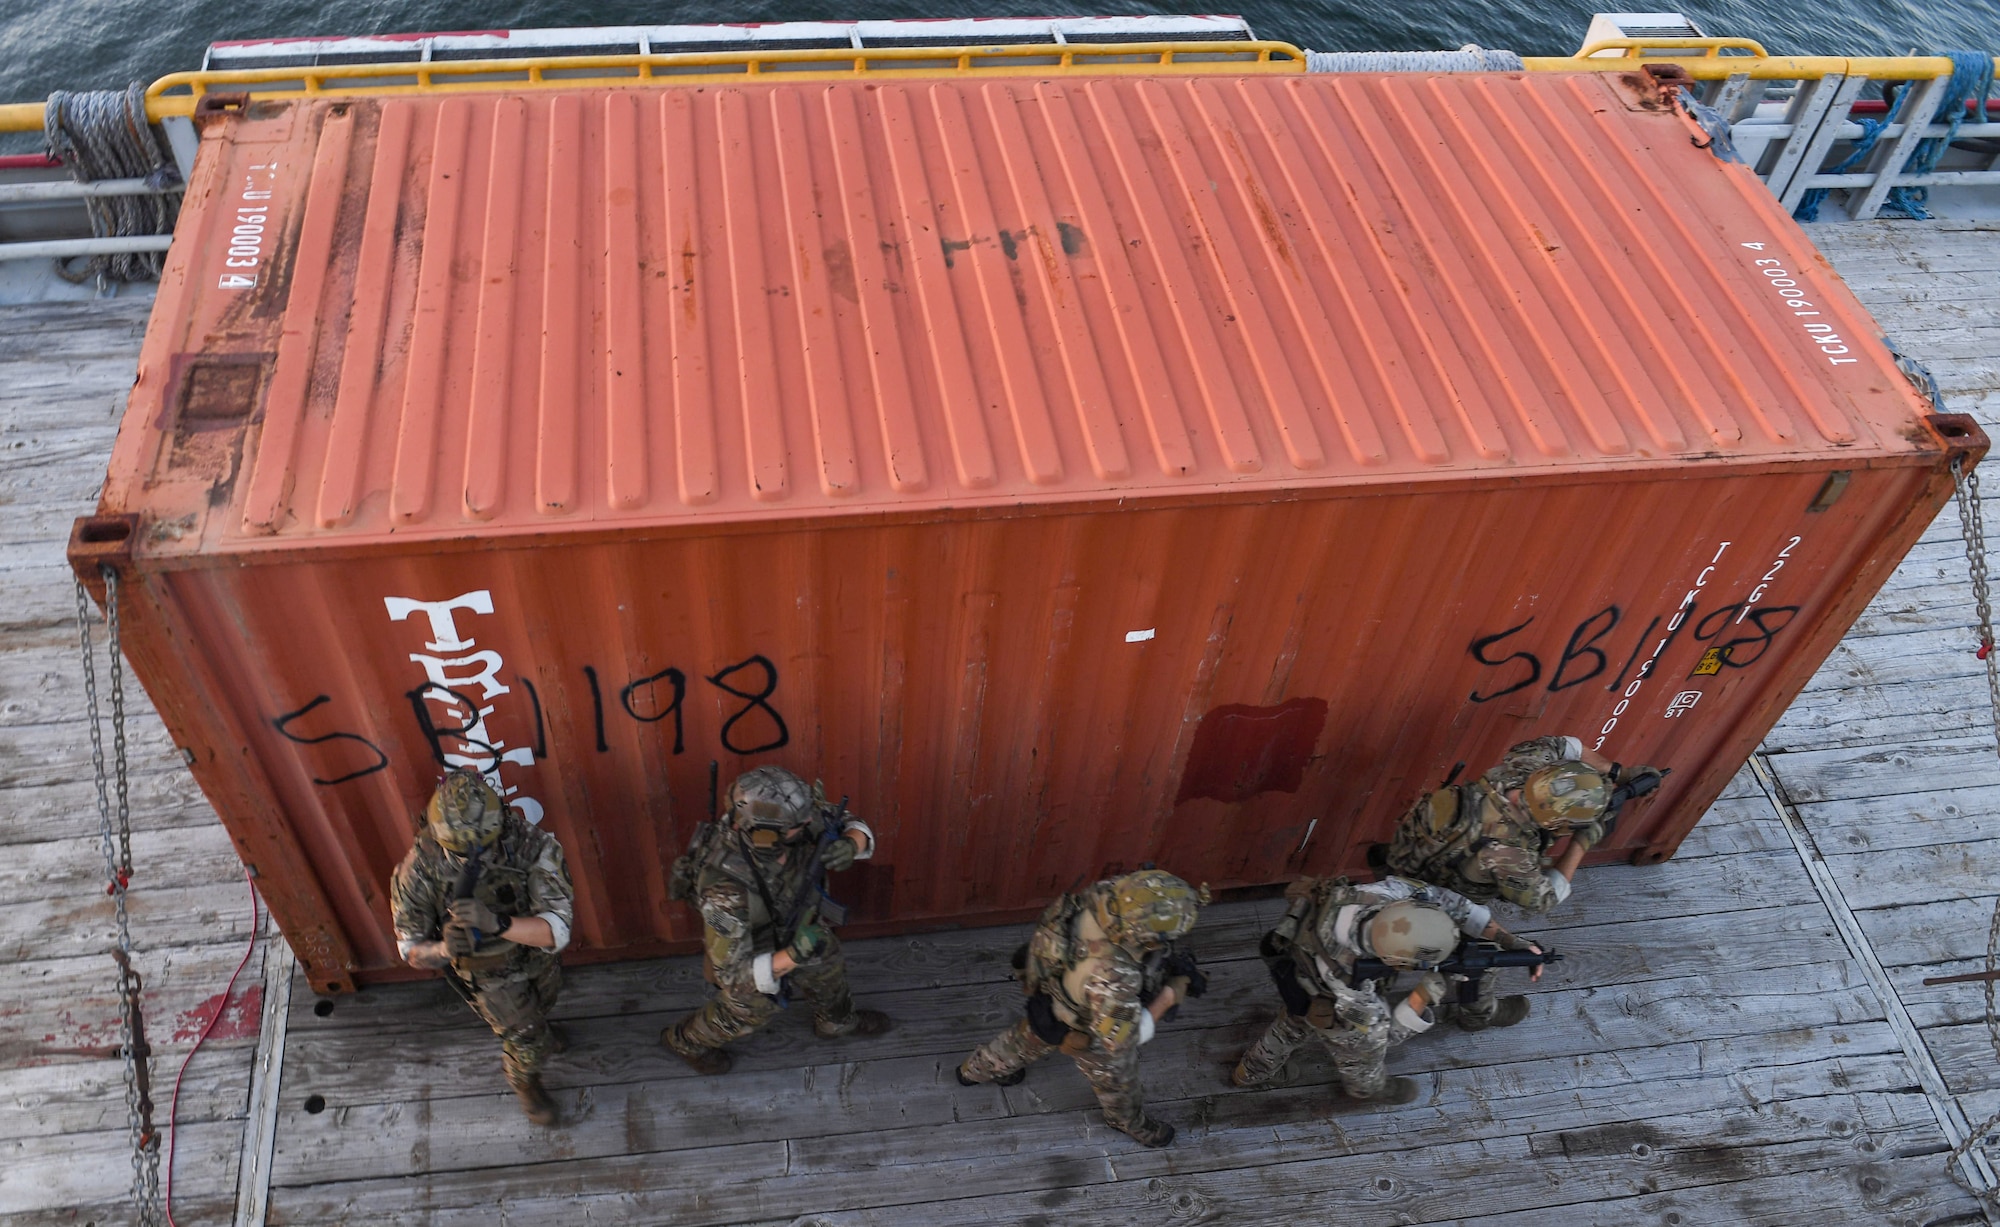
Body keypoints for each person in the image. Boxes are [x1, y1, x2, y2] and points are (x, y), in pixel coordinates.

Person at [660, 766, 890, 1075]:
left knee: (827, 962)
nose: (809, 822)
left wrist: (852, 843)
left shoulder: (788, 815)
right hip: (749, 950)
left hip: (796, 923)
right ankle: (686, 1041)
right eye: (799, 824)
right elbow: (736, 976)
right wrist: (794, 955)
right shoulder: (724, 889)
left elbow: (845, 820)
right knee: (751, 1007)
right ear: (764, 832)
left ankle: (836, 1022)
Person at [955, 870, 1207, 1149]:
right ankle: (1127, 1121)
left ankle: (974, 1069)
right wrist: (1169, 995)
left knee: (1024, 1039)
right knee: (1117, 1080)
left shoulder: (1105, 893)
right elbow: (1125, 1037)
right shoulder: (1114, 977)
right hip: (1083, 1021)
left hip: (1053, 978)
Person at [1232, 874, 1542, 1097]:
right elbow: (1382, 1035)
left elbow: (1450, 902)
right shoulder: (1352, 993)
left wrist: (1508, 941)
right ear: (1397, 962)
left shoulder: (1385, 894)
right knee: (1355, 1058)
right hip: (1326, 994)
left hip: (1300, 949)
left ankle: (1251, 1071)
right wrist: (1427, 992)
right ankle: (1370, 1091)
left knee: (1291, 1022)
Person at [390, 768, 575, 1125]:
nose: (474, 857)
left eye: (484, 845)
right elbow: (410, 949)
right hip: (489, 975)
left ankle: (539, 1033)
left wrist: (495, 923)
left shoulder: (531, 846)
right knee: (526, 1042)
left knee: (547, 1002)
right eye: (459, 851)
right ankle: (525, 1082)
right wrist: (444, 949)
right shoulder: (418, 871)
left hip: (536, 954)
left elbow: (557, 930)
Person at [1383, 735, 1665, 917]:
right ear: (1561, 824)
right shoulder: (1511, 857)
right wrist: (1582, 842)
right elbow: (1545, 898)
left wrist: (1620, 772)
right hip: (1445, 899)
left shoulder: (1523, 767)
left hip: (1413, 845)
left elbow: (1570, 746)